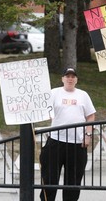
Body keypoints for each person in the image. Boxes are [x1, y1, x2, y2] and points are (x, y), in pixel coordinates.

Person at [39, 68, 96, 201]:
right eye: (67, 76)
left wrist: (88, 134)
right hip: (55, 141)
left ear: (76, 80)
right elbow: (42, 109)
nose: (70, 79)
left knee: (73, 182)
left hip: (77, 144)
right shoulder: (54, 93)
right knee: (49, 180)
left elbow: (91, 115)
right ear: (62, 78)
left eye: (73, 76)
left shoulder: (83, 95)